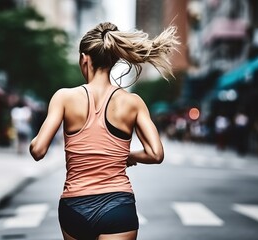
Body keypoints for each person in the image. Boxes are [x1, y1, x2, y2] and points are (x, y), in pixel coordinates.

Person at [29, 22, 179, 240]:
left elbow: (38, 150)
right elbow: (156, 154)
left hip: (75, 206)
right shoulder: (133, 102)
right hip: (118, 206)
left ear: (84, 58)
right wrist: (127, 156)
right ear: (115, 60)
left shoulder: (63, 98)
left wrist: (34, 140)